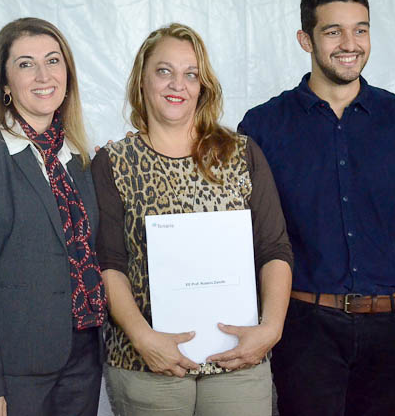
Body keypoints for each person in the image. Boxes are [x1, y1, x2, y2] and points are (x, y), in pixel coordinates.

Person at [238, 0, 395, 416]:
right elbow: (243, 228)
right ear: (306, 40)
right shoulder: (263, 127)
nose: (350, 44)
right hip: (304, 328)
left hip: (393, 326)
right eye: (333, 32)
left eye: (360, 30)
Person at [91, 23, 293, 416]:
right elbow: (109, 263)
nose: (177, 85)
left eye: (190, 74)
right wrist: (142, 338)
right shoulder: (113, 162)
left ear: (203, 86)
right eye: (164, 71)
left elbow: (274, 249)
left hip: (238, 359)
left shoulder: (241, 154)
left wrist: (271, 329)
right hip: (145, 363)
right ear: (142, 80)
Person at [0, 17, 105, 416]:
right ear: (4, 83)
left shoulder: (79, 159)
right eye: (26, 64)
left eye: (53, 60)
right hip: (14, 370)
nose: (43, 75)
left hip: (83, 359)